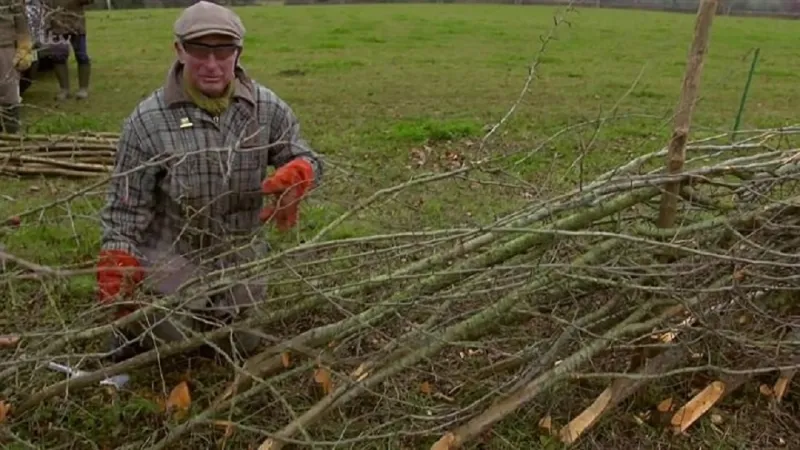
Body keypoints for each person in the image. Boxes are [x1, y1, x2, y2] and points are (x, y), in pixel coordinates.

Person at [95, 0, 324, 363]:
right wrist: (117, 259)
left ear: (238, 52)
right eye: (199, 50)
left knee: (239, 345)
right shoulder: (147, 122)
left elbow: (306, 156)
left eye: (223, 51)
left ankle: (221, 309)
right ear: (179, 50)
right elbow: (124, 211)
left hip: (238, 252)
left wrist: (301, 172)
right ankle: (134, 331)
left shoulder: (266, 109)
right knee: (173, 344)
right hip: (173, 253)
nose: (212, 64)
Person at [47, 0, 93, 100]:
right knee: (58, 56)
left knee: (82, 55)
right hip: (56, 24)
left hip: (76, 23)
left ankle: (83, 88)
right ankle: (64, 89)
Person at [0, 0, 35, 132]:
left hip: (4, 47)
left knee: (8, 95)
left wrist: (24, 48)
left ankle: (12, 138)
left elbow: (21, 21)